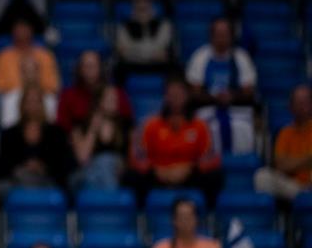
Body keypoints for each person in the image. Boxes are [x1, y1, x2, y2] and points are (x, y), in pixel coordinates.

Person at [129, 78, 222, 201]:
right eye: (171, 94)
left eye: (179, 93)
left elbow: (212, 158)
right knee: (133, 176)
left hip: (190, 176)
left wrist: (189, 168)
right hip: (158, 176)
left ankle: (209, 211)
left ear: (187, 96)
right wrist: (156, 170)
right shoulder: (150, 124)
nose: (175, 97)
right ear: (165, 97)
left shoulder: (200, 125)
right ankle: (141, 212)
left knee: (215, 176)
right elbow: (137, 157)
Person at [185, 17, 258, 156]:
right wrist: (215, 98)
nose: (221, 39)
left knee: (242, 128)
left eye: (225, 34)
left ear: (231, 36)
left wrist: (231, 97)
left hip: (237, 109)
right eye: (218, 34)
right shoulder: (200, 56)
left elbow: (249, 91)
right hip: (208, 108)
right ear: (211, 36)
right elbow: (194, 91)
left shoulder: (241, 57)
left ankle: (240, 163)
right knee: (208, 127)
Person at [0, 87, 74, 194]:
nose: (32, 106)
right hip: (17, 181)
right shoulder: (9, 134)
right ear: (22, 105)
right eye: (28, 101)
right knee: (4, 186)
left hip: (47, 180)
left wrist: (42, 167)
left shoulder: (56, 133)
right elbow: (2, 168)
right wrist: (25, 166)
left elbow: (63, 165)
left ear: (42, 105)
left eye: (36, 101)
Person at [256, 85, 312, 200]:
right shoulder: (285, 133)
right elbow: (281, 165)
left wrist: (291, 162)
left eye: (305, 101)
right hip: (293, 186)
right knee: (262, 176)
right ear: (291, 106)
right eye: (298, 102)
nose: (302, 105)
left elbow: (287, 164)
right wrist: (307, 160)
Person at [70, 86, 129, 191]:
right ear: (99, 101)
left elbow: (126, 161)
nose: (114, 102)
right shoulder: (83, 125)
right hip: (90, 172)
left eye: (115, 99)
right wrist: (93, 129)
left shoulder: (124, 125)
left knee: (106, 162)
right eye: (110, 98)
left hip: (115, 172)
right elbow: (82, 158)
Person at [56, 50, 132, 133]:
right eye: (86, 66)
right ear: (79, 69)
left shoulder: (116, 94)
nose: (89, 70)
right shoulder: (68, 96)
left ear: (101, 68)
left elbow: (128, 124)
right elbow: (62, 127)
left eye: (93, 66)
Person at [113, 0, 176, 82]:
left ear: (151, 2)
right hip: (132, 65)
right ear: (132, 3)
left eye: (146, 1)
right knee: (118, 69)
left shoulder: (164, 25)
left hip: (156, 65)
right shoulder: (124, 26)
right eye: (138, 1)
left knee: (174, 67)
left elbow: (163, 50)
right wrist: (150, 53)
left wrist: (133, 51)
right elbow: (123, 52)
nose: (142, 5)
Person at [0, 20, 61, 96]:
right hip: (12, 97)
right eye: (19, 28)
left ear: (31, 30)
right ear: (13, 31)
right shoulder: (3, 57)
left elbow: (53, 86)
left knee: (49, 99)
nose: (22, 32)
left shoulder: (45, 55)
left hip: (41, 96)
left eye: (24, 28)